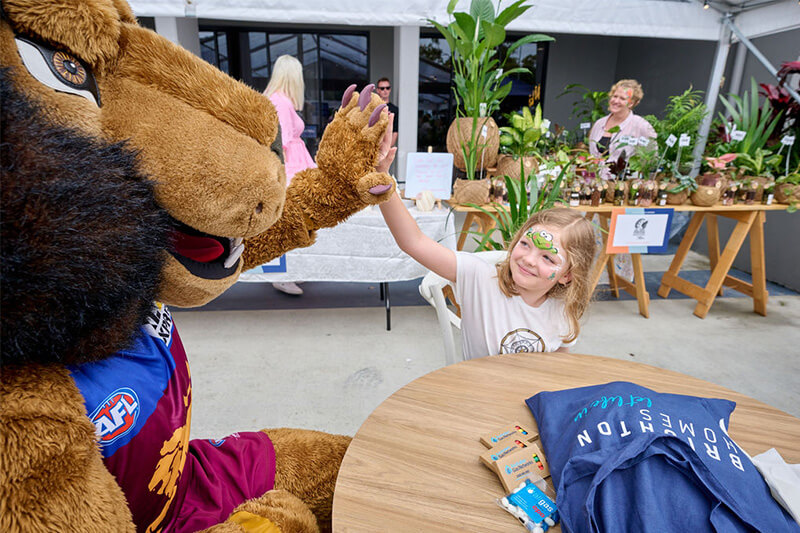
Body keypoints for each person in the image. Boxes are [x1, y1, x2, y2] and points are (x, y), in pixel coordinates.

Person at [377, 126, 596, 359]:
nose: (529, 259)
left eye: (547, 257)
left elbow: (560, 364)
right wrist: (382, 176)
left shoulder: (564, 310)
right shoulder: (479, 278)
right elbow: (413, 242)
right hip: (478, 391)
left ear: (567, 275)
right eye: (525, 244)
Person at [264, 55, 316, 295]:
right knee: (291, 224)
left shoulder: (277, 100)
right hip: (291, 169)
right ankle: (283, 276)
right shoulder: (281, 103)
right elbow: (281, 144)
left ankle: (290, 272)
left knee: (293, 223)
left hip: (294, 167)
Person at [588, 79, 656, 173]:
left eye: (622, 98)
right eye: (615, 96)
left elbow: (651, 158)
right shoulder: (599, 124)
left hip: (623, 184)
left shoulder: (641, 126)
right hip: (597, 183)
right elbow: (592, 156)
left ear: (631, 103)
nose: (616, 101)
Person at [376, 77, 398, 145]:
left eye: (387, 88)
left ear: (390, 89)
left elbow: (395, 130)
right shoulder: (373, 107)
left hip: (388, 143)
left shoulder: (395, 109)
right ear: (377, 90)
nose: (385, 90)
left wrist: (389, 146)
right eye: (382, 88)